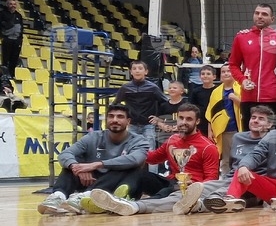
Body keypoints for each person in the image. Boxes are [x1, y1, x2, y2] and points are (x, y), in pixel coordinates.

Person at [89, 103, 221, 215]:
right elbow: (152, 158)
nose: (184, 122)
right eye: (181, 118)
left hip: (190, 189)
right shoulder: (172, 140)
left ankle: (133, 205)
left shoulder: (208, 147)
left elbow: (212, 179)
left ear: (197, 122)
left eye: (189, 119)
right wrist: (132, 149)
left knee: (167, 190)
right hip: (171, 182)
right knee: (138, 174)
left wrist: (194, 187)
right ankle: (107, 198)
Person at [37, 105, 150, 215]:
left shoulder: (139, 140)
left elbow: (135, 159)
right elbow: (65, 154)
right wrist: (77, 167)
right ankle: (57, 197)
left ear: (128, 121)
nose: (115, 120)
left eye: (120, 117)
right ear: (106, 120)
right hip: (89, 180)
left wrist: (96, 164)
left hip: (114, 184)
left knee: (129, 167)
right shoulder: (93, 137)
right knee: (72, 163)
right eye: (111, 116)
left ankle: (86, 197)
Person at [191, 105, 274, 214]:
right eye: (253, 117)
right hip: (229, 179)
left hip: (250, 183)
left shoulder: (272, 142)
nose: (255, 121)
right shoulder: (238, 137)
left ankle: (199, 206)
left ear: (269, 124)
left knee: (221, 196)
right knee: (197, 189)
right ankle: (177, 202)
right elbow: (232, 163)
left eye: (261, 119)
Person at [228, 3, 276, 128]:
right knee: (249, 135)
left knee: (274, 136)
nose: (260, 16)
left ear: (272, 19)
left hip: (274, 97)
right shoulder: (241, 37)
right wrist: (243, 80)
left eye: (264, 14)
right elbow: (233, 64)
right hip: (249, 97)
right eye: (257, 13)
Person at [112, 60, 167, 151]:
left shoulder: (153, 88)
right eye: (134, 69)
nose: (137, 71)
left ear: (146, 71)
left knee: (149, 152)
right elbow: (115, 104)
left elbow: (165, 103)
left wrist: (159, 118)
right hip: (132, 125)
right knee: (130, 150)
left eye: (140, 68)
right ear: (131, 72)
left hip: (148, 125)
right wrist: (122, 117)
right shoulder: (125, 88)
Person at [207, 65, 242, 174]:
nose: (226, 73)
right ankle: (225, 178)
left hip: (239, 129)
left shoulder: (241, 88)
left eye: (229, 71)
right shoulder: (216, 92)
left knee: (239, 156)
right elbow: (210, 113)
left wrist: (235, 99)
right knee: (225, 158)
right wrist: (210, 130)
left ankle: (237, 178)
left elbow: (247, 107)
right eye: (223, 72)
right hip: (223, 131)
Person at [188, 65, 218, 137]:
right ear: (200, 76)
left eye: (208, 74)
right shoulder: (196, 91)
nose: (205, 76)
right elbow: (192, 107)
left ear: (214, 77)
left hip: (215, 120)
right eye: (203, 74)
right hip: (201, 122)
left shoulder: (218, 90)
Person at [0, 0, 23, 77]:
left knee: (14, 59)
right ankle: (4, 76)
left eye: (14, 4)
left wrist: (20, 39)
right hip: (7, 39)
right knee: (5, 59)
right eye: (11, 4)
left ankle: (12, 75)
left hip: (17, 40)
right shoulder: (2, 14)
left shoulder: (19, 15)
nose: (13, 5)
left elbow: (21, 28)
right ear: (7, 5)